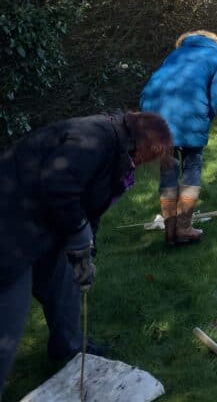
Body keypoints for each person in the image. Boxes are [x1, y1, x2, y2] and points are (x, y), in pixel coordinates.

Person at [0, 111, 173, 392]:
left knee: (64, 282)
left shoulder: (117, 154)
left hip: (40, 223)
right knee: (9, 317)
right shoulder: (94, 139)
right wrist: (79, 234)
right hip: (10, 224)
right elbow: (59, 187)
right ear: (142, 144)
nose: (146, 163)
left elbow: (92, 206)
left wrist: (87, 251)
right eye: (151, 155)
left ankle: (69, 349)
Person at [139, 30, 217, 245]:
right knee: (192, 165)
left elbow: (155, 84)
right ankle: (184, 227)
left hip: (154, 112)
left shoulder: (175, 54)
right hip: (189, 114)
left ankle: (170, 231)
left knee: (168, 166)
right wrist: (205, 118)